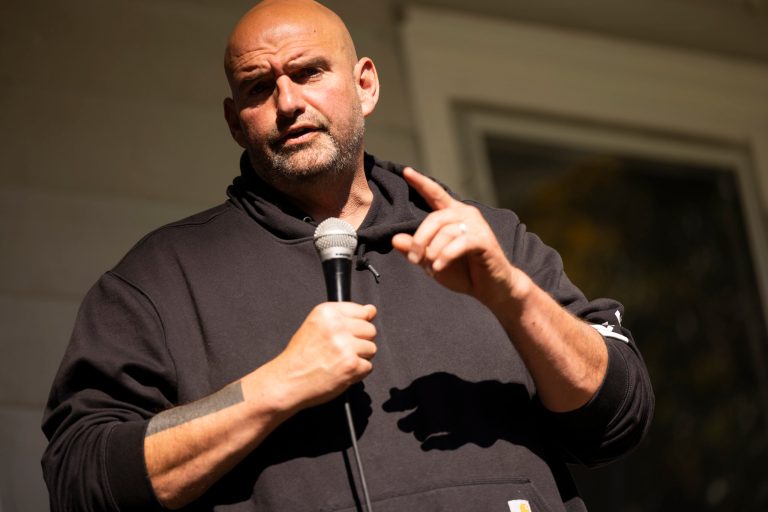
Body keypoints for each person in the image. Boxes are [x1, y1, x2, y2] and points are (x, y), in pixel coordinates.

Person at [41, 1, 654, 511]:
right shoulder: (161, 279)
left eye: (308, 72)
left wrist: (512, 297)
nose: (287, 103)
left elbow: (618, 417)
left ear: (365, 84)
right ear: (235, 122)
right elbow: (82, 477)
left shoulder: (485, 239)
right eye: (259, 87)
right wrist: (272, 389)